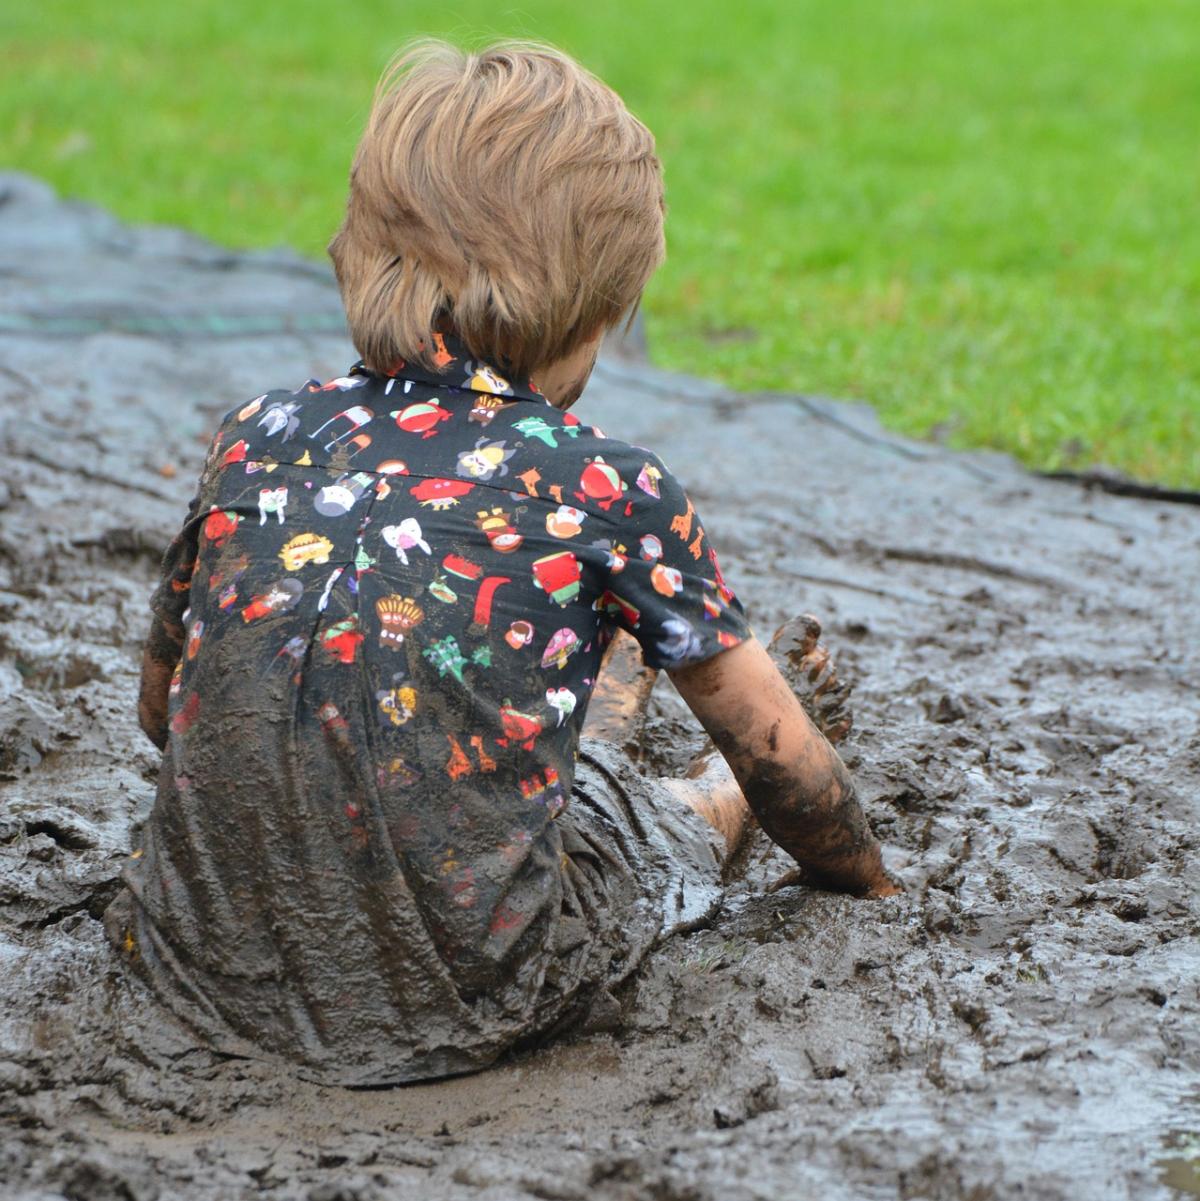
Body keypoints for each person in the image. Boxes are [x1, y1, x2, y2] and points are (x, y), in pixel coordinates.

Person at [107, 38, 899, 1087]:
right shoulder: (605, 488)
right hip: (467, 989)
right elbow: (786, 769)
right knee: (665, 825)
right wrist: (871, 881)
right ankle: (644, 728)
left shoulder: (255, 434)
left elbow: (164, 712)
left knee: (441, 675)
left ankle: (607, 689)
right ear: (585, 315)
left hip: (194, 961)